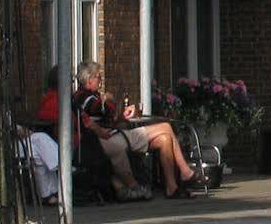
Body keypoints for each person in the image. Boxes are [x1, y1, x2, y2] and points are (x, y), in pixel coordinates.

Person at [72, 61, 196, 199]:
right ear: (89, 79)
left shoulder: (93, 95)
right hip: (108, 139)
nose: (100, 81)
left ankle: (171, 187)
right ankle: (185, 171)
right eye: (98, 77)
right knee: (166, 127)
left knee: (165, 139)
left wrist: (122, 117)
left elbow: (106, 117)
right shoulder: (83, 96)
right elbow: (98, 109)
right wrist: (107, 99)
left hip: (116, 134)